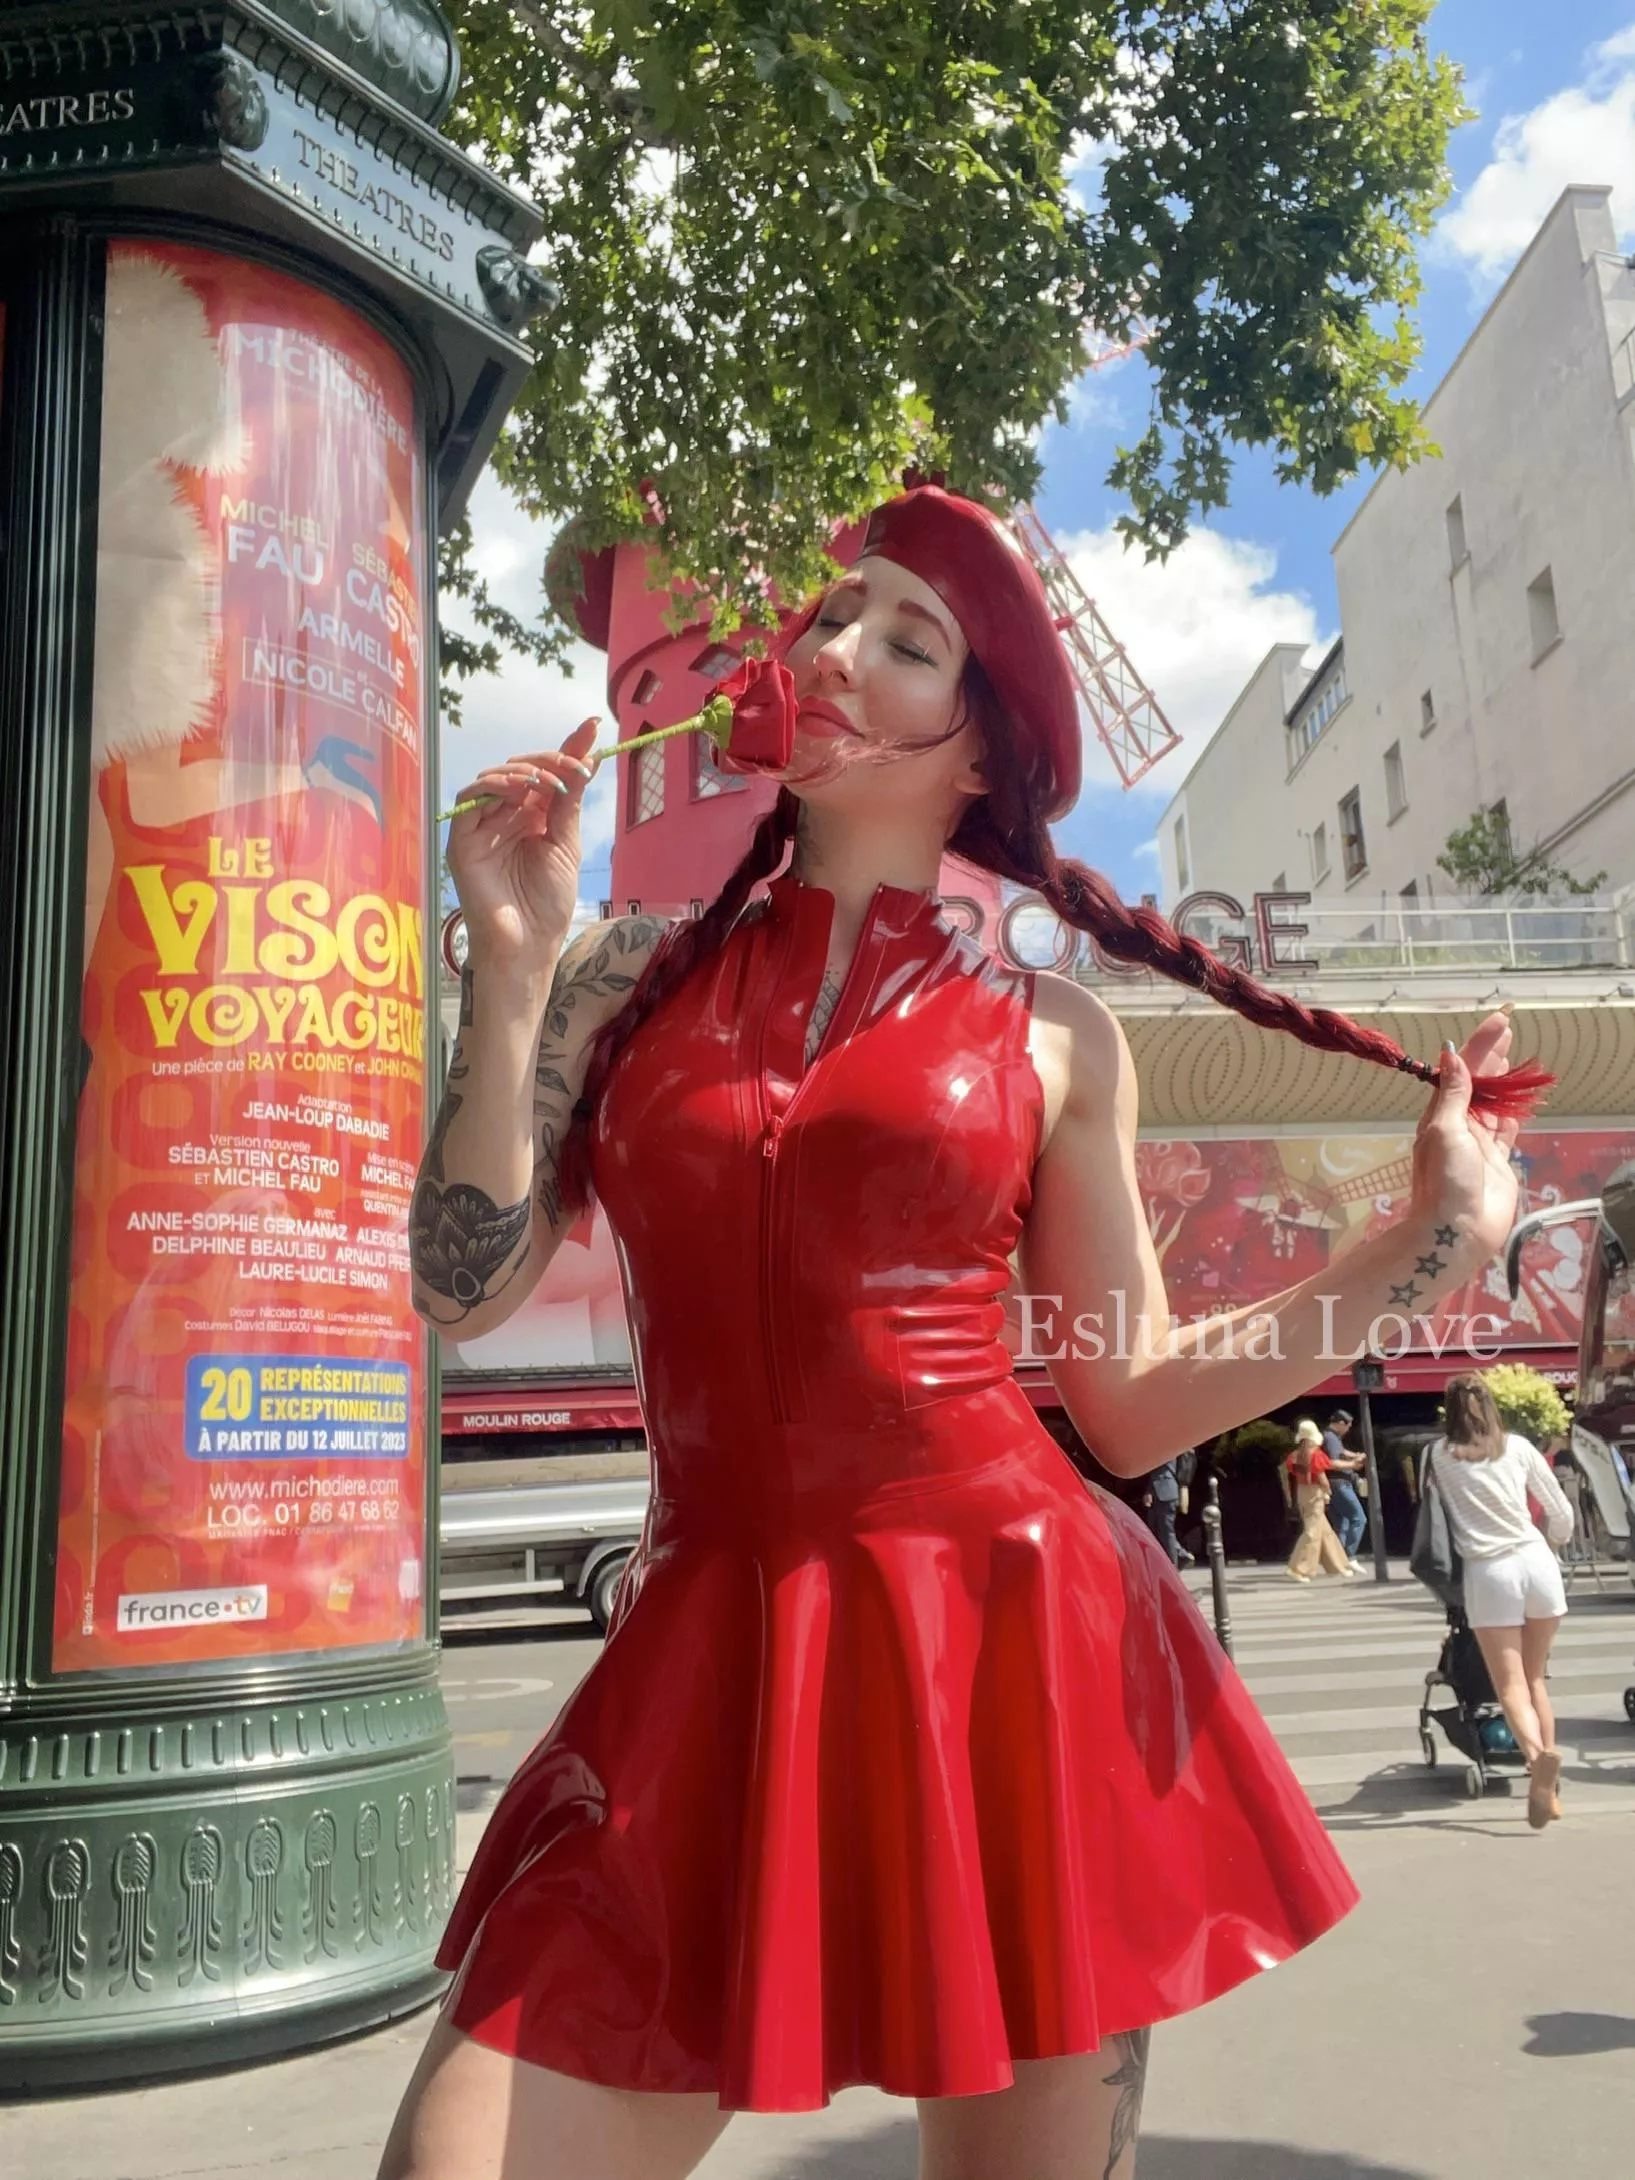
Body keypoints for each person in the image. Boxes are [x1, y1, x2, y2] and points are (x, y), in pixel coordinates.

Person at [383, 481, 1538, 2180]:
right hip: (702, 1654)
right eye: (831, 613)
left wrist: (1421, 1240)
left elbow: (1130, 1403)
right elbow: (459, 1283)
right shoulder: (621, 977)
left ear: (977, 753)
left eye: (905, 640)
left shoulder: (1058, 1035)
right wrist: (507, 958)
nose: (838, 647)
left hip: (1014, 1654)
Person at [1427, 1374, 1574, 1828]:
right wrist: (1554, 1545)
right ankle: (1548, 1790)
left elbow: (1435, 1513)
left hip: (1490, 1573)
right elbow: (1561, 1513)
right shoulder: (1521, 1447)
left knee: (1509, 1686)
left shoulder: (1437, 1455)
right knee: (1536, 1681)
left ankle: (1536, 1760)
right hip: (1537, 1565)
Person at [1285, 1419, 1353, 1583]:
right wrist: (1327, 1490)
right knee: (1312, 1532)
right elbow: (1321, 1476)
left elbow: (1296, 1473)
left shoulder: (1295, 1456)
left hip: (1301, 1492)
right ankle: (1298, 1568)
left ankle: (1338, 1565)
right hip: (1315, 1493)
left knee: (1324, 1531)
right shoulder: (1315, 1454)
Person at [1322, 1409, 1369, 1570]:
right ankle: (1349, 1556)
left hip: (1334, 1484)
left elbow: (1341, 1452)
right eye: (1348, 1426)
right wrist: (1353, 1465)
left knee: (1343, 1523)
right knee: (1358, 1518)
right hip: (1340, 1483)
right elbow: (1332, 1462)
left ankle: (1338, 1559)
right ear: (1341, 1423)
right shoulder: (1331, 1438)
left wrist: (1355, 1455)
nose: (1349, 1429)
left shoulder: (1331, 1437)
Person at [1139, 1457, 1183, 1565]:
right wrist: (1149, 1491)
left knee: (1167, 1533)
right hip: (1159, 1493)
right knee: (1157, 1531)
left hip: (1166, 1492)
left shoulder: (1166, 1447)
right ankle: (1181, 1554)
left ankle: (1173, 1565)